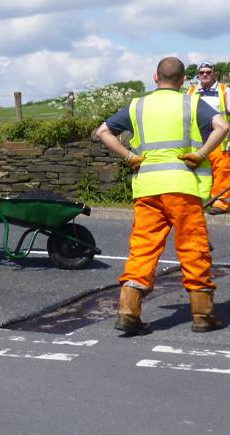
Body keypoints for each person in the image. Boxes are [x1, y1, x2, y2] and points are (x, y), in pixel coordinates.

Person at [93, 56, 228, 335]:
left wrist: (129, 155)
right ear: (182, 81)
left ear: (155, 78)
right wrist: (201, 154)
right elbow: (223, 127)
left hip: (148, 189)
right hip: (183, 188)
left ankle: (128, 312)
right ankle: (202, 315)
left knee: (143, 248)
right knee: (193, 249)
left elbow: (103, 132)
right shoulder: (190, 102)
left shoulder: (138, 105)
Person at [187, 62, 230, 214]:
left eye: (208, 72)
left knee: (222, 171)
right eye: (202, 72)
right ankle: (195, 201)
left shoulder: (225, 91)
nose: (205, 75)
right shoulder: (191, 91)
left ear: (214, 74)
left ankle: (220, 204)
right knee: (195, 171)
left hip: (219, 139)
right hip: (197, 139)